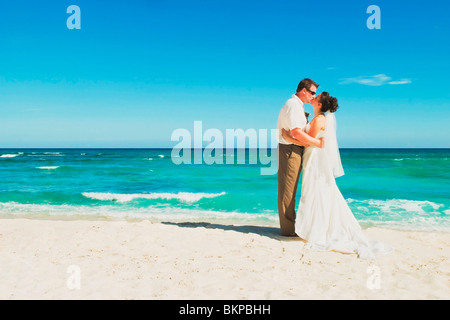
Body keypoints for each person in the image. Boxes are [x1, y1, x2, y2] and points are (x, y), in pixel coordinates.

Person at [282, 92, 393, 258]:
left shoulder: (320, 119)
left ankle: (317, 230)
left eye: (316, 97)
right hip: (312, 156)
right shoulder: (319, 118)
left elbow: (308, 141)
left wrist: (288, 137)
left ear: (320, 104)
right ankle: (315, 227)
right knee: (318, 192)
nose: (313, 97)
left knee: (315, 192)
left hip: (315, 158)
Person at [277, 79, 323, 237]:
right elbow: (296, 132)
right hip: (290, 150)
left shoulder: (297, 105)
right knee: (288, 190)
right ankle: (288, 230)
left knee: (291, 188)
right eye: (312, 93)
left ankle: (291, 227)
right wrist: (317, 143)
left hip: (294, 147)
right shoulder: (294, 105)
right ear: (303, 91)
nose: (313, 96)